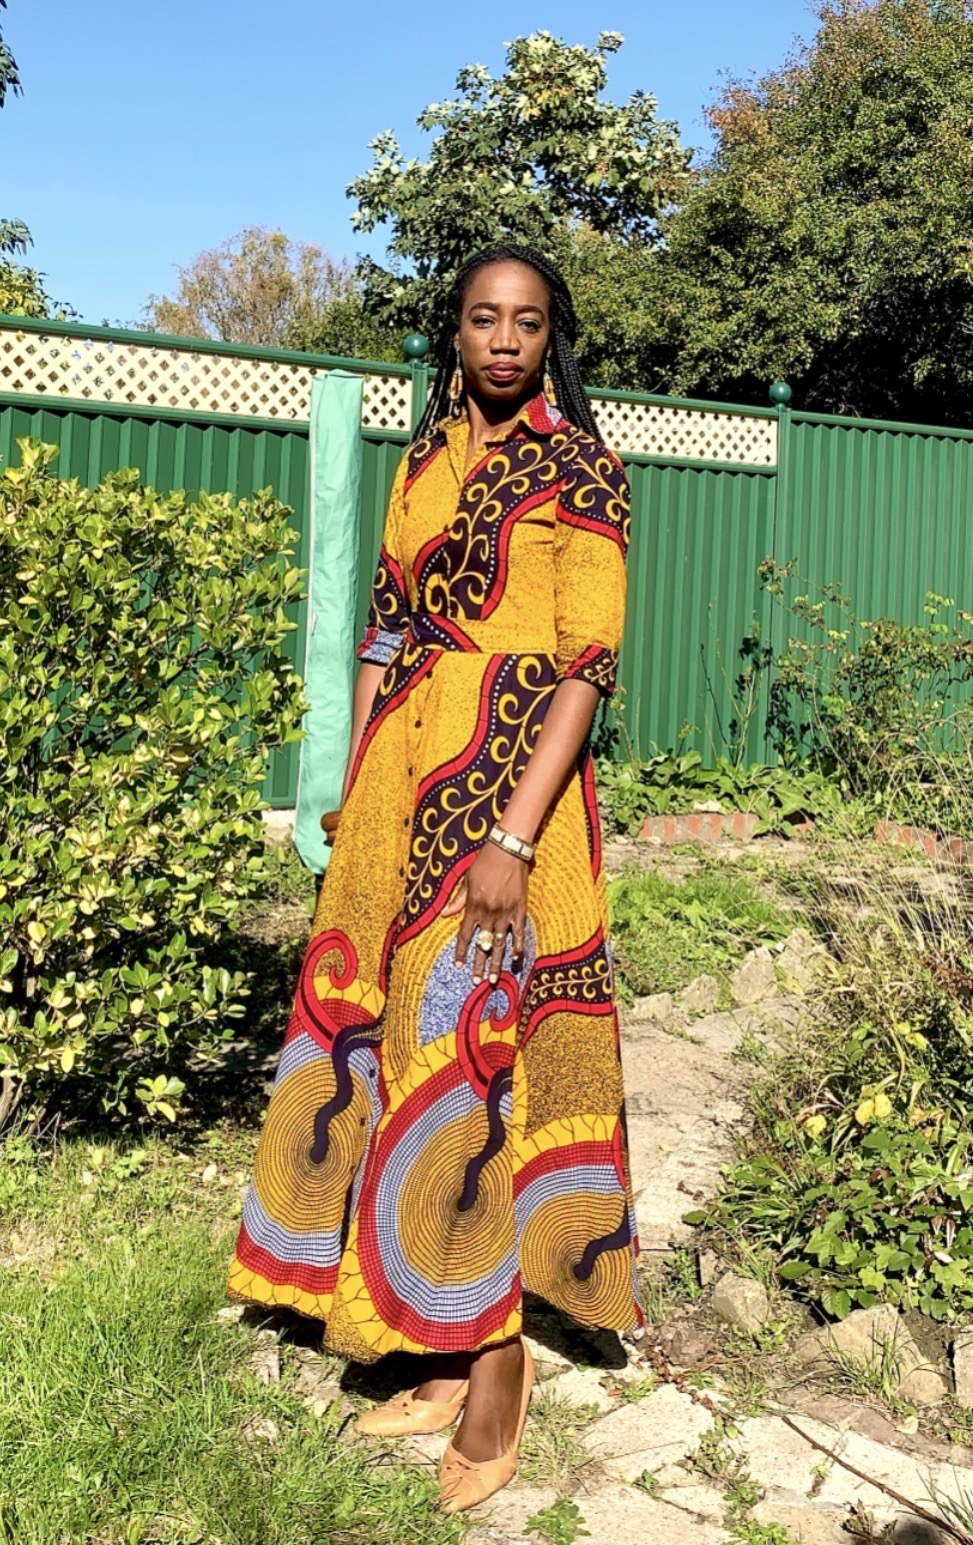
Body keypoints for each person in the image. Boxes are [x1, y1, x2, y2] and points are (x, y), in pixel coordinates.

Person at [227, 241, 643, 1513]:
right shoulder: (419, 464)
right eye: (482, 319)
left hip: (512, 792)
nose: (504, 340)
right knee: (399, 1044)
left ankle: (499, 1366)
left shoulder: (582, 469)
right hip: (398, 793)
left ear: (551, 337)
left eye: (527, 321)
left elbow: (586, 666)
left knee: (478, 1050)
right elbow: (388, 628)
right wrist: (357, 777)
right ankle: (438, 1340)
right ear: (453, 333)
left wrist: (511, 839)